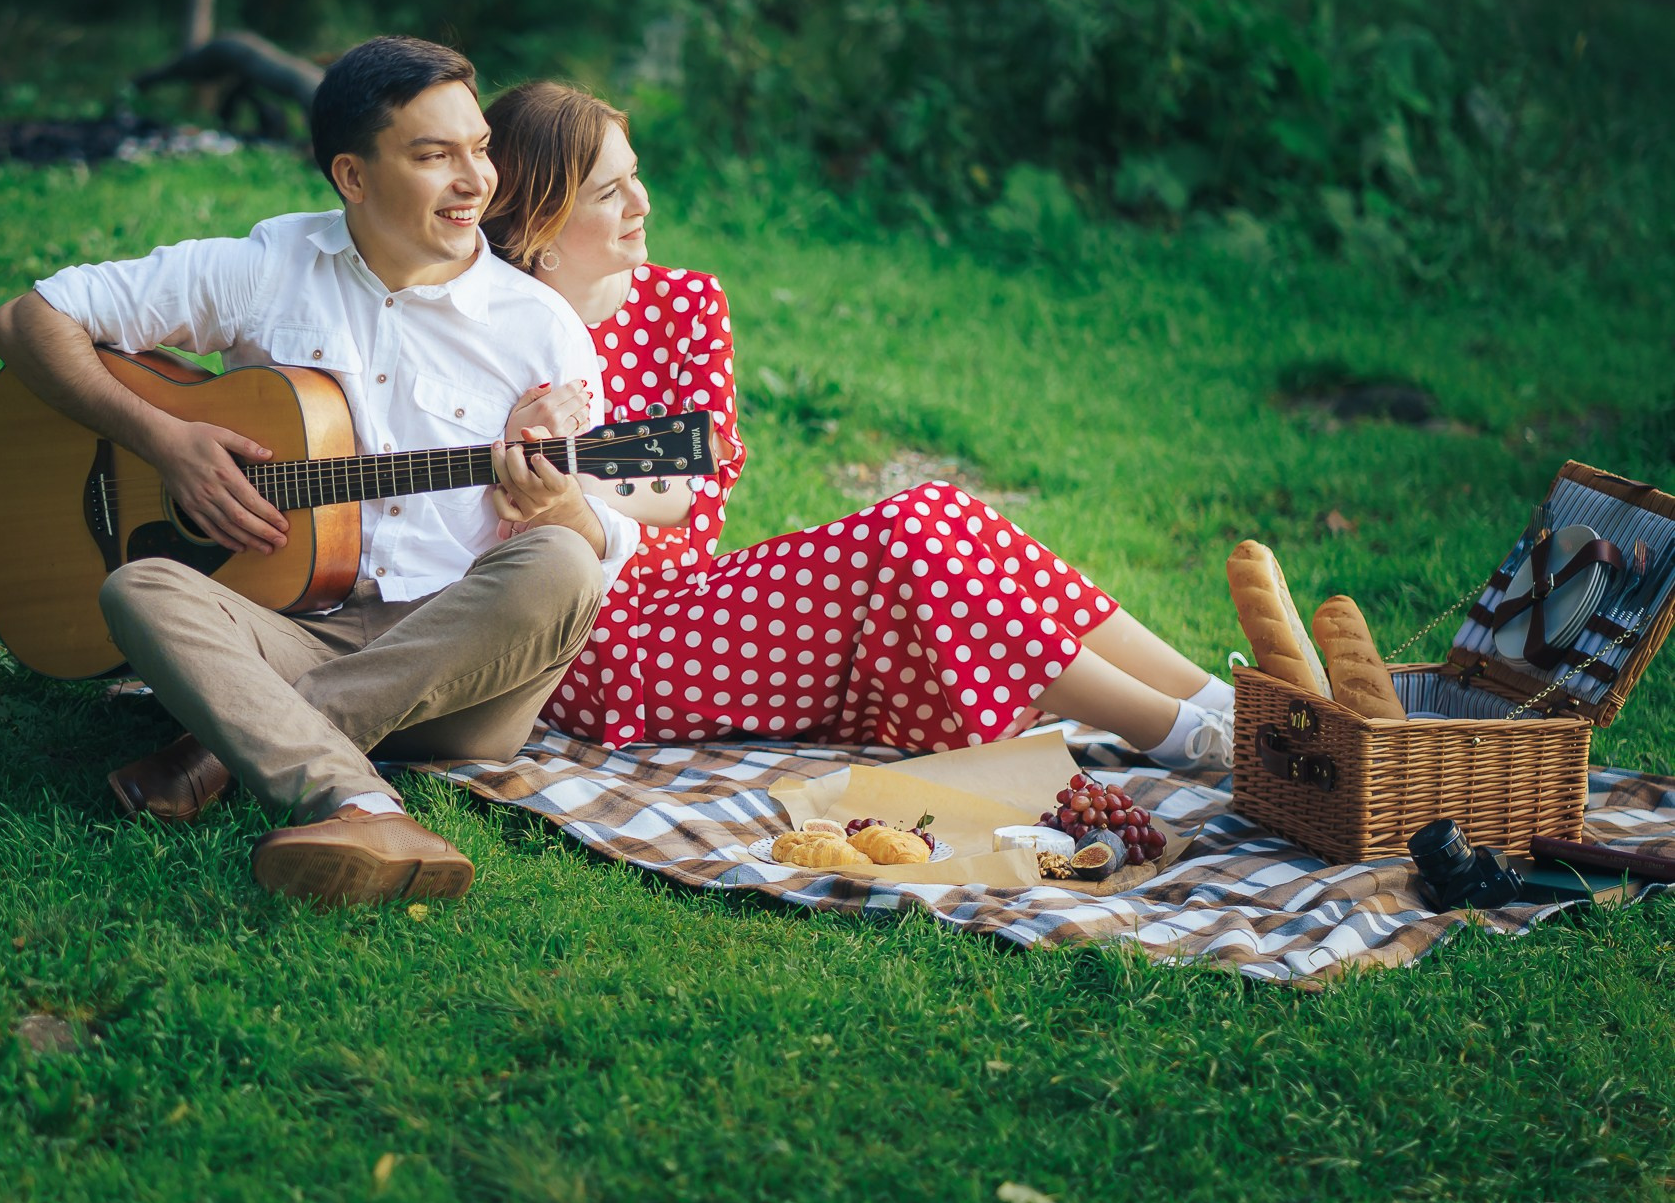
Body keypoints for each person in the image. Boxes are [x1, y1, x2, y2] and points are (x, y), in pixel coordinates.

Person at [0, 39, 640, 907]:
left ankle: (228, 746)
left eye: (478, 148)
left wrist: (559, 504)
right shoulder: (266, 268)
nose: (473, 179)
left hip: (454, 673)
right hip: (290, 623)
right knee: (140, 587)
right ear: (353, 176)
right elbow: (25, 318)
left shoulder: (540, 329)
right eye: (433, 154)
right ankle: (360, 802)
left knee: (561, 563)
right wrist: (163, 441)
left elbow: (603, 546)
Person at [481, 80, 1236, 766]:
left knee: (938, 511)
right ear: (544, 229)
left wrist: (582, 483)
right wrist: (582, 488)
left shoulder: (684, 303)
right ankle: (1176, 732)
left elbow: (698, 502)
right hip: (602, 643)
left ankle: (1209, 701)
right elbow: (513, 530)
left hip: (692, 595)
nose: (643, 202)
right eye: (611, 193)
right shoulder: (499, 338)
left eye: (635, 174)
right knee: (908, 535)